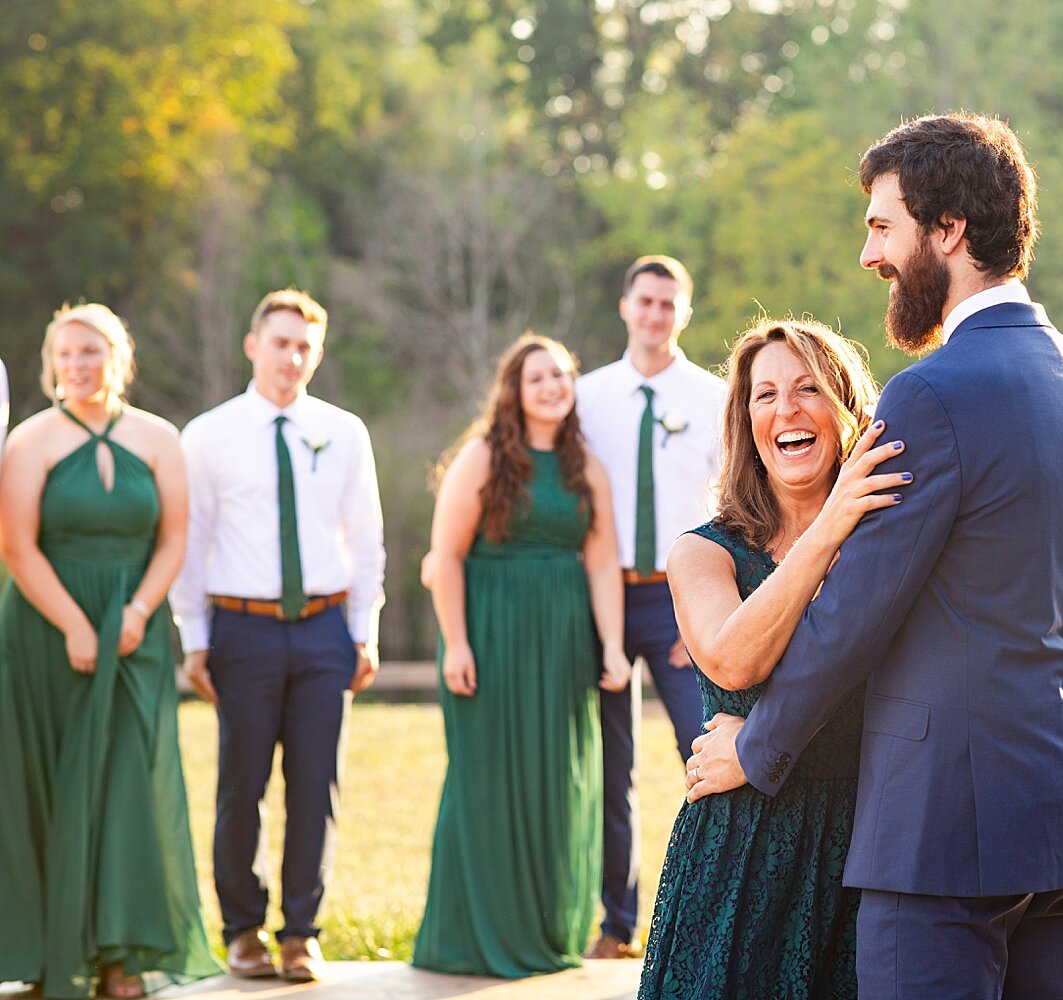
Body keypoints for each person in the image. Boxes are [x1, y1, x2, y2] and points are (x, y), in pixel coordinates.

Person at [687, 113, 1063, 998]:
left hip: (940, 833)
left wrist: (758, 746)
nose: (869, 255)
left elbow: (856, 611)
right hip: (1061, 814)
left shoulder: (930, 395)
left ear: (950, 230)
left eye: (882, 225)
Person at [640, 319, 1063, 997]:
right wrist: (830, 525)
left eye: (809, 389)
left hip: (878, 842)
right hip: (747, 856)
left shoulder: (896, 541)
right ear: (743, 419)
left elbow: (983, 614)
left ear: (846, 412)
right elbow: (730, 660)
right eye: (765, 395)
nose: (786, 410)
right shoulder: (705, 551)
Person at [0, 304, 220, 999]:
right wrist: (73, 624)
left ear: (118, 356)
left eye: (91, 351)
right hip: (45, 630)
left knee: (128, 782)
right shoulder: (29, 442)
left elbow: (175, 539)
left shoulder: (159, 438)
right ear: (50, 363)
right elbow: (16, 546)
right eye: (65, 353)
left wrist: (136, 612)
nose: (78, 365)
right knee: (53, 783)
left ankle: (121, 953)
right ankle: (48, 955)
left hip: (135, 631)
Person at [168, 288, 386, 983]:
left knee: (316, 784)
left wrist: (364, 631)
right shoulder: (207, 434)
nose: (291, 357)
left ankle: (301, 932)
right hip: (243, 628)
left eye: (304, 346)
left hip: (325, 628)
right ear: (252, 345)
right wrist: (194, 638)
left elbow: (368, 538)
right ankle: (242, 930)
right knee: (243, 782)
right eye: (280, 342)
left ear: (316, 354)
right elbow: (191, 539)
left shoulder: (344, 430)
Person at [412, 335, 632, 977]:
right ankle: (475, 933)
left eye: (562, 375)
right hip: (489, 634)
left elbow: (600, 562)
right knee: (487, 779)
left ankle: (546, 926)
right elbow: (444, 557)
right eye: (538, 377)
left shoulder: (584, 466)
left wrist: (613, 645)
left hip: (563, 641)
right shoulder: (482, 457)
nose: (552, 386)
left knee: (557, 781)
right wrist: (455, 641)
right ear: (514, 388)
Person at [573, 255, 726, 958]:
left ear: (684, 313)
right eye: (646, 301)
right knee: (609, 766)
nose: (656, 314)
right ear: (625, 306)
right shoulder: (585, 396)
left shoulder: (715, 396)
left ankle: (710, 917)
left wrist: (708, 609)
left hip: (680, 600)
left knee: (704, 751)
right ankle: (616, 922)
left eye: (670, 303)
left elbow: (733, 508)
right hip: (599, 598)